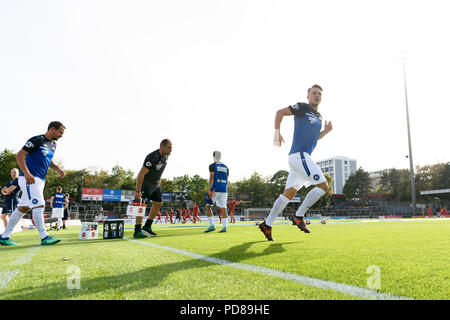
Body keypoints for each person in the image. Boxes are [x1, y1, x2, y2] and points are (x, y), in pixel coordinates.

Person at [259, 85, 332, 241]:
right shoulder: (303, 107)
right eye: (314, 93)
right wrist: (277, 131)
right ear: (308, 95)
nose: (317, 95)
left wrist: (325, 131)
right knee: (324, 186)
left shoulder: (319, 116)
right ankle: (299, 216)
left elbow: (314, 138)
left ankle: (267, 224)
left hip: (299, 159)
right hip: (300, 156)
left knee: (289, 194)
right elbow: (280, 112)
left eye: (319, 93)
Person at [0, 121, 66, 246]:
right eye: (60, 132)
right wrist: (26, 173)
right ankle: (44, 236)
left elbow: (47, 159)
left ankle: (4, 236)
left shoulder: (53, 144)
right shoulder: (37, 140)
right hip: (30, 179)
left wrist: (57, 168)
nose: (61, 135)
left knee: (23, 208)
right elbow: (20, 155)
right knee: (39, 205)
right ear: (52, 129)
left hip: (40, 180)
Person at [133, 139, 172, 238]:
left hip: (156, 184)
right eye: (169, 147)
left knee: (159, 203)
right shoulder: (152, 157)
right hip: (146, 184)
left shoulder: (166, 156)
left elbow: (158, 170)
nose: (171, 150)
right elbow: (141, 174)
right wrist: (138, 191)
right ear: (162, 147)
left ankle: (147, 226)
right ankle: (137, 231)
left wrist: (159, 180)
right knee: (142, 206)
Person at [204, 151, 229, 233]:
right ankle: (224, 227)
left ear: (213, 156)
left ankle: (211, 226)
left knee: (208, 206)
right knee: (224, 208)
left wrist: (210, 188)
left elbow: (212, 177)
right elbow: (226, 178)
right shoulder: (226, 167)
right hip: (224, 190)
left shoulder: (212, 166)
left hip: (215, 189)